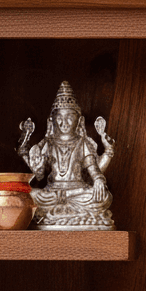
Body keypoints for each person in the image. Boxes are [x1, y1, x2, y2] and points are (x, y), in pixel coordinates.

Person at [17, 81, 115, 229]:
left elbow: (93, 169)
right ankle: (67, 215)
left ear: (79, 120)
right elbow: (39, 176)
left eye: (69, 117)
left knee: (105, 197)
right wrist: (28, 155)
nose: (64, 123)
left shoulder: (82, 143)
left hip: (77, 191)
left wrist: (99, 181)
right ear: (52, 121)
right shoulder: (48, 143)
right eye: (59, 118)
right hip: (52, 193)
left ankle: (57, 216)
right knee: (30, 195)